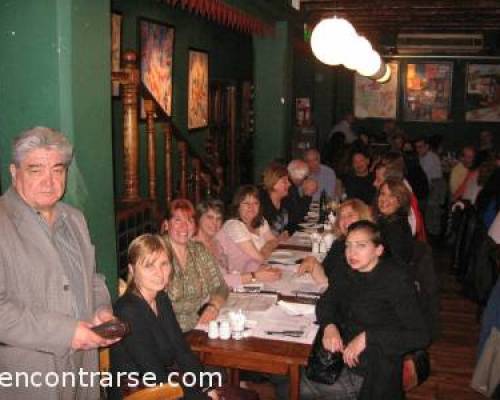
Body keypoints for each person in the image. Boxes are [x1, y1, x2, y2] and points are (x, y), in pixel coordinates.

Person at [0, 127, 116, 399]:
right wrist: (66, 332)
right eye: (36, 170)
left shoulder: (75, 218)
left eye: (58, 170)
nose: (49, 181)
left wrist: (102, 311)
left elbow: (92, 279)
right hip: (31, 377)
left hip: (83, 368)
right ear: (14, 173)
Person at [295, 221, 429, 400]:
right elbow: (327, 301)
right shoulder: (347, 271)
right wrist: (329, 325)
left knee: (295, 385)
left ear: (378, 250)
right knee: (289, 373)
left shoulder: (395, 281)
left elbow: (420, 335)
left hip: (371, 373)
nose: (352, 253)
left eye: (361, 246)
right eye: (348, 246)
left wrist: (368, 337)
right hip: (338, 358)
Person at [110, 234, 220, 400]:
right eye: (149, 266)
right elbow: (152, 372)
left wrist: (206, 386)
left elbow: (181, 350)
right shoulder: (127, 311)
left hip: (163, 384)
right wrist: (199, 395)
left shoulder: (160, 298)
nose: (159, 273)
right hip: (138, 393)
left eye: (164, 264)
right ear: (132, 270)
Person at [162, 199, 229, 332]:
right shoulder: (157, 253)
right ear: (166, 225)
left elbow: (221, 286)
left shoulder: (199, 250)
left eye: (189, 221)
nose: (184, 227)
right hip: (168, 333)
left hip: (200, 327)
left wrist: (213, 307)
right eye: (178, 220)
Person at [215, 185, 282, 287]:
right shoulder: (233, 225)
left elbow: (274, 241)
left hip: (253, 272)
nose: (251, 207)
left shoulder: (260, 221)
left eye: (255, 203)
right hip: (235, 280)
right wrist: (266, 250)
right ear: (238, 206)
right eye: (246, 203)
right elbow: (259, 257)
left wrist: (265, 249)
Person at [298, 199, 374, 286]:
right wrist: (313, 263)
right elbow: (326, 274)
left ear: (362, 217)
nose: (345, 220)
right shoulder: (339, 243)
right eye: (342, 216)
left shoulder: (368, 250)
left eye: (350, 215)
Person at [375, 178, 415, 266]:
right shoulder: (387, 219)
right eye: (383, 194)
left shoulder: (395, 227)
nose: (384, 199)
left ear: (400, 202)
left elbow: (397, 262)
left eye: (392, 196)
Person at [415, 137, 446, 237]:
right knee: (430, 214)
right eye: (416, 147)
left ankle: (435, 238)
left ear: (427, 146)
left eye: (420, 147)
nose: (418, 149)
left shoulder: (431, 158)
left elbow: (425, 177)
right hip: (432, 185)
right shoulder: (422, 156)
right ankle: (431, 236)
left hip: (436, 186)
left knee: (433, 214)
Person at [282, 159, 318, 231]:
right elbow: (297, 217)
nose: (306, 180)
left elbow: (297, 207)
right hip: (287, 230)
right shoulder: (288, 188)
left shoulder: (293, 187)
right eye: (306, 177)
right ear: (300, 177)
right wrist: (308, 194)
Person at [259, 162, 292, 235]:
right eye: (284, 181)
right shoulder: (262, 205)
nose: (289, 184)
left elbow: (291, 225)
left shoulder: (285, 201)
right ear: (273, 183)